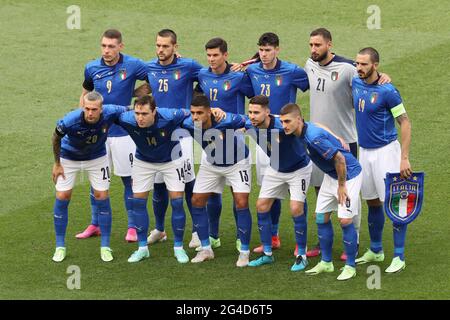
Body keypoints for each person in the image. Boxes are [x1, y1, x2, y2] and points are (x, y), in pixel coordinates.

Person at [304, 28, 391, 260]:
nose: (313, 49)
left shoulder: (347, 68)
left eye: (318, 45)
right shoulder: (309, 64)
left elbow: (368, 76)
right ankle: (324, 241)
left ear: (329, 45)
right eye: (311, 45)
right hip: (315, 141)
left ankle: (353, 240)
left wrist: (383, 77)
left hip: (345, 142)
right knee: (321, 189)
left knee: (350, 193)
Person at [77, 29, 148, 242]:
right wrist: (84, 120)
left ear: (120, 47)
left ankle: (133, 227)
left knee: (129, 179)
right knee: (96, 180)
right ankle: (95, 223)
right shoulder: (91, 68)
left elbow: (156, 77)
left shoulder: (133, 65)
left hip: (123, 133)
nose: (106, 51)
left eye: (111, 46)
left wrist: (136, 94)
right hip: (99, 134)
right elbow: (85, 94)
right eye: (104, 46)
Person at [279, 103, 362, 281]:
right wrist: (336, 136)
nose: (284, 125)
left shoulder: (313, 138)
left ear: (298, 120)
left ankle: (350, 266)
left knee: (345, 220)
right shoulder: (302, 127)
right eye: (282, 122)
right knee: (321, 217)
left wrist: (341, 186)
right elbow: (318, 123)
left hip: (348, 175)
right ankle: (326, 262)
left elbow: (340, 159)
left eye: (287, 121)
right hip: (331, 175)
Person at [245, 32, 309, 253]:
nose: (264, 54)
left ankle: (302, 242)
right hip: (264, 139)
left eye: (268, 50)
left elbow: (318, 83)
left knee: (297, 193)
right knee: (268, 189)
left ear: (277, 50)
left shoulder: (292, 71)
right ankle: (272, 237)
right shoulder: (252, 70)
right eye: (261, 50)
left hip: (289, 137)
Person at [352, 47, 412, 273]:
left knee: (395, 204)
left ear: (375, 65)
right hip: (364, 152)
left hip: (386, 152)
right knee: (372, 201)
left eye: (364, 64)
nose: (359, 68)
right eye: (357, 63)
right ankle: (376, 250)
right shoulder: (356, 82)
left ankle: (399, 256)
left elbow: (405, 122)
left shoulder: (388, 91)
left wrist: (404, 158)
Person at [143, 29, 203, 248]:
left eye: (165, 46)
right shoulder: (149, 67)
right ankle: (159, 229)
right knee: (158, 185)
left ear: (175, 47)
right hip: (157, 137)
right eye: (158, 45)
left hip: (181, 135)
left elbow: (209, 76)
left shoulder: (188, 66)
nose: (160, 50)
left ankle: (197, 231)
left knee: (187, 183)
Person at [51, 91, 127, 262]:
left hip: (97, 158)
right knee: (63, 196)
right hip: (69, 158)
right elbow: (56, 137)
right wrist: (57, 163)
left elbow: (130, 110)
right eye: (87, 109)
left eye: (94, 109)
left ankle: (105, 246)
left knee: (102, 196)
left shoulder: (111, 111)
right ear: (83, 107)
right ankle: (60, 246)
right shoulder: (70, 120)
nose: (90, 113)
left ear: (101, 109)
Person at [115, 95, 191, 263]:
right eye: (137, 113)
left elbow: (191, 113)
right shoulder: (127, 119)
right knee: (138, 203)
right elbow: (108, 114)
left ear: (154, 112)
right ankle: (142, 248)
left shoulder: (170, 116)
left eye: (144, 114)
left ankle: (179, 247)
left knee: (177, 202)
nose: (140, 118)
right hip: (144, 161)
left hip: (172, 160)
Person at [196, 38, 254, 250]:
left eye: (216, 55)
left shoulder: (239, 76)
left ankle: (241, 238)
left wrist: (246, 124)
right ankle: (213, 236)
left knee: (239, 197)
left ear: (225, 55)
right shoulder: (202, 74)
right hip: (210, 140)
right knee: (212, 192)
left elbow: (256, 97)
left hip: (234, 138)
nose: (211, 59)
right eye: (209, 55)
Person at [182, 94, 252, 266]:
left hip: (237, 162)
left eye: (199, 113)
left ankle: (244, 252)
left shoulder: (226, 121)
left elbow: (248, 119)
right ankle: (206, 249)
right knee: (197, 201)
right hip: (211, 164)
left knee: (241, 202)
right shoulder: (189, 124)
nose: (195, 117)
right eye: (193, 113)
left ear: (209, 112)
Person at [244, 96, 311, 271]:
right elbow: (229, 118)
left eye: (256, 112)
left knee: (296, 208)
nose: (252, 116)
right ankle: (267, 254)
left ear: (267, 112)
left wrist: (336, 138)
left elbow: (309, 127)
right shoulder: (251, 125)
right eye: (250, 112)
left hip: (299, 169)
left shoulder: (283, 124)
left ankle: (301, 255)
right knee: (261, 206)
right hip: (275, 169)